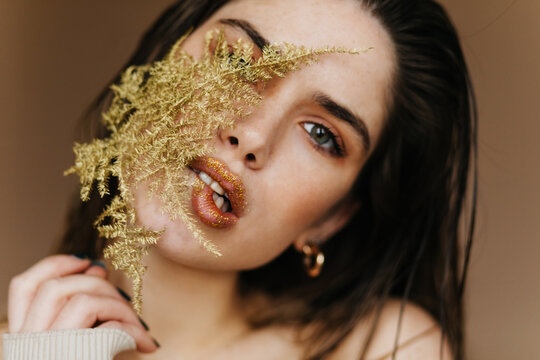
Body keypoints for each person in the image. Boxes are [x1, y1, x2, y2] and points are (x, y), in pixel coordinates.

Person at [2, 0, 477, 359]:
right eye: (233, 62)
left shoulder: (384, 347)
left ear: (332, 218)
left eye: (320, 134)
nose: (250, 135)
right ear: (152, 69)